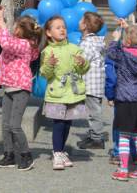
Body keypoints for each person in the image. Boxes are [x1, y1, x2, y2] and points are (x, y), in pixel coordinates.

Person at [0, 7, 42, 171]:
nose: (12, 27)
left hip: (20, 88)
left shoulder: (24, 45)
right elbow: (1, 38)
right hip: (9, 87)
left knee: (14, 125)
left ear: (22, 30)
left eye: (16, 26)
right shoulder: (15, 41)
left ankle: (26, 155)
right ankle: (9, 155)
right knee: (5, 124)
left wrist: (2, 24)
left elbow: (6, 43)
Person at [40, 15, 90, 171]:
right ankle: (57, 152)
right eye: (57, 27)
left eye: (64, 27)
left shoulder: (74, 48)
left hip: (73, 92)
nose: (62, 29)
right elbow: (45, 74)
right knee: (59, 123)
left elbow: (83, 69)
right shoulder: (47, 51)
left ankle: (61, 151)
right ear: (49, 33)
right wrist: (49, 65)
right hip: (57, 93)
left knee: (68, 123)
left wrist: (82, 63)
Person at [108, 22, 137, 181]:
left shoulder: (123, 54)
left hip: (126, 99)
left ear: (127, 41)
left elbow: (111, 53)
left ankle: (123, 170)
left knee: (124, 136)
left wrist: (115, 39)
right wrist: (129, 29)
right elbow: (135, 42)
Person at [77, 12, 107, 151]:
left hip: (90, 84)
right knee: (92, 111)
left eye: (81, 20)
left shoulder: (88, 43)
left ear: (85, 26)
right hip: (96, 83)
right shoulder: (96, 41)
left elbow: (81, 62)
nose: (78, 21)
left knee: (93, 112)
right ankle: (93, 134)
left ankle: (97, 139)